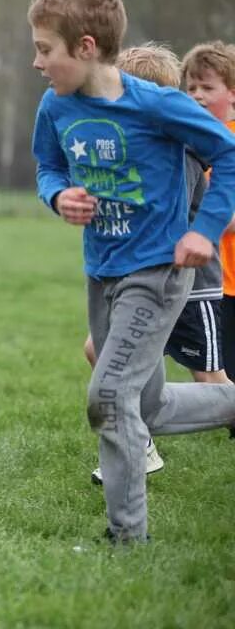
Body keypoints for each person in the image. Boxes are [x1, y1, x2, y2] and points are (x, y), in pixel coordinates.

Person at [29, 0, 235, 543]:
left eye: (46, 49)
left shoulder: (156, 105)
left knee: (110, 397)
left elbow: (228, 154)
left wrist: (203, 230)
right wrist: (58, 196)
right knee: (152, 405)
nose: (38, 62)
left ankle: (127, 541)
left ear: (87, 47)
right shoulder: (55, 105)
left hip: (159, 271)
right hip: (102, 271)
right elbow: (47, 165)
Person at [84, 42, 231, 485]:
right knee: (100, 353)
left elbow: (182, 214)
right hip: (137, 281)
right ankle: (139, 446)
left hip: (185, 284)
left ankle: (136, 446)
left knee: (211, 381)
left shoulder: (179, 154)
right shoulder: (133, 147)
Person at [181, 42, 235, 399]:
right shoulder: (192, 142)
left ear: (232, 92)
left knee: (218, 380)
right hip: (216, 279)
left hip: (228, 281)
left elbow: (227, 219)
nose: (198, 96)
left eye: (208, 87)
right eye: (191, 88)